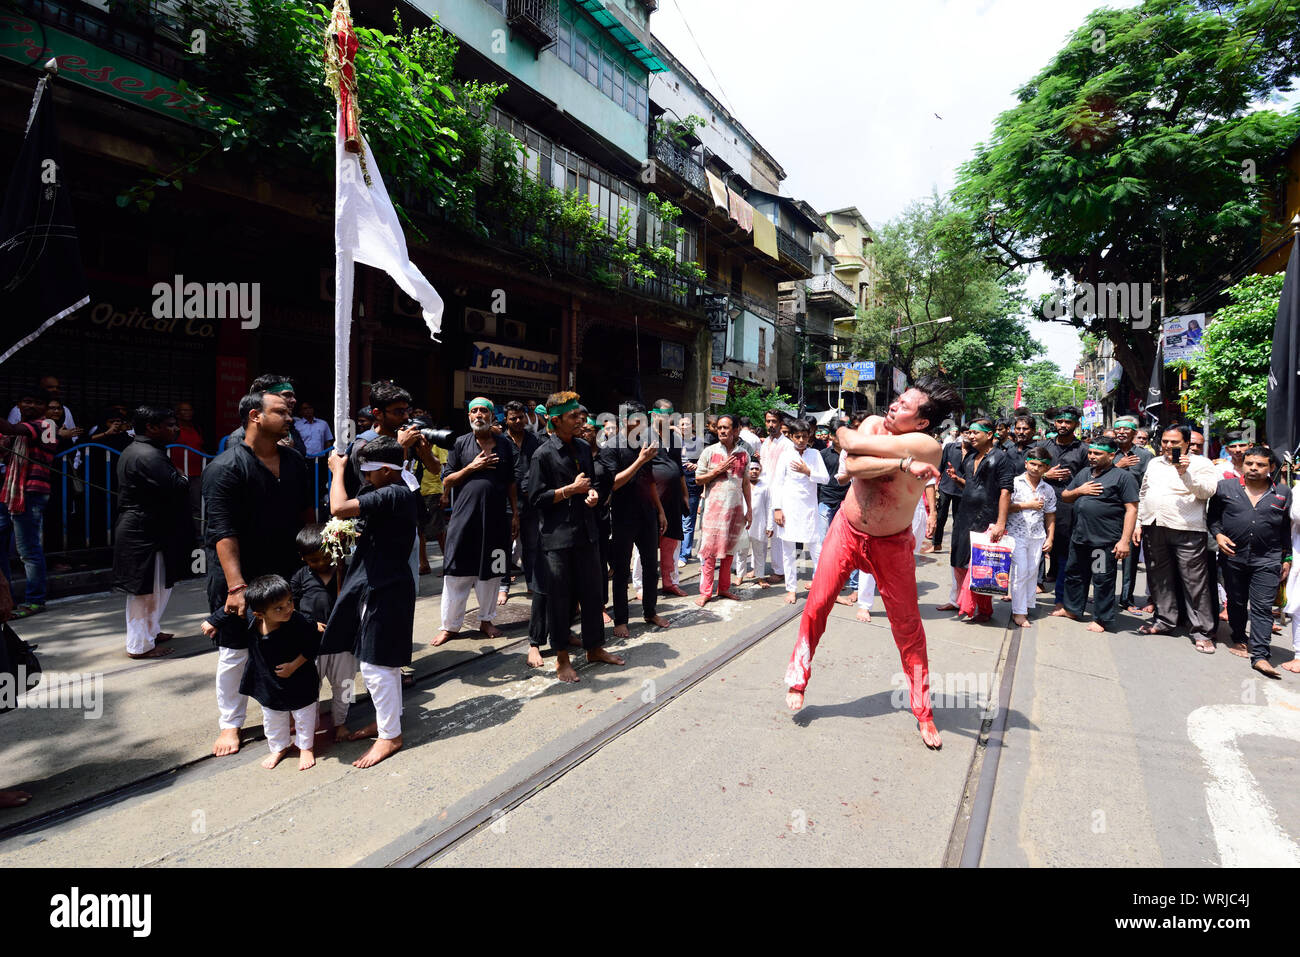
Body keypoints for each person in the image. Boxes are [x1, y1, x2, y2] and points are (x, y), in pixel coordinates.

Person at [785, 377, 960, 750]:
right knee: (817, 603)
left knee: (908, 627)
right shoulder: (874, 425)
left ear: (923, 422)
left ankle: (923, 711)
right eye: (897, 399)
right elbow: (849, 452)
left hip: (892, 544)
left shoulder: (927, 445)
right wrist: (899, 464)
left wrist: (882, 460)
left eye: (905, 406)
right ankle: (798, 677)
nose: (895, 406)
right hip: (846, 530)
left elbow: (858, 460)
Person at [203, 388, 314, 757]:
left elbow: (306, 516)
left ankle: (291, 712)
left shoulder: (296, 461)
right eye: (281, 411)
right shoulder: (225, 467)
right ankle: (230, 723)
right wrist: (237, 587)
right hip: (241, 579)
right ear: (255, 416)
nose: (290, 418)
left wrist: (318, 559)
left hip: (287, 573)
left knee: (291, 642)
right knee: (235, 652)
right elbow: (222, 531)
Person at [321, 435, 420, 768]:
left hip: (386, 586)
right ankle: (386, 720)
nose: (365, 478)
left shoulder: (394, 492)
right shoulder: (391, 489)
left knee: (376, 664)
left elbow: (338, 508)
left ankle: (390, 736)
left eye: (369, 472)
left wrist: (337, 470)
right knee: (383, 662)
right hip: (378, 581)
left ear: (388, 471)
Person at [527, 391, 627, 681]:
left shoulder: (583, 447)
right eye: (573, 417)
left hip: (587, 533)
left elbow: (591, 483)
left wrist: (593, 493)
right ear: (555, 421)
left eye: (581, 416)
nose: (580, 420)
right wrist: (567, 491)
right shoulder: (542, 454)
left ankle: (594, 647)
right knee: (559, 599)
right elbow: (535, 498)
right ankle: (561, 658)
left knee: (593, 593)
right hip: (557, 540)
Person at [435, 398, 518, 646]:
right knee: (456, 573)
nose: (479, 414)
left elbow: (512, 483)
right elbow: (447, 480)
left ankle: (486, 620)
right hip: (464, 519)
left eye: (484, 410)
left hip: (496, 521)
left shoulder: (505, 445)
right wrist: (472, 467)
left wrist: (515, 514)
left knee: (493, 573)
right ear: (469, 416)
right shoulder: (459, 444)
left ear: (493, 416)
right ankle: (450, 626)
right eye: (474, 411)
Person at [112, 406, 191, 658]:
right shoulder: (147, 455)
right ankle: (139, 645)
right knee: (144, 590)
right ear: (151, 427)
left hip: (152, 528)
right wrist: (182, 477)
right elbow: (178, 486)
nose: (175, 429)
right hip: (142, 531)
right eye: (170, 424)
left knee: (158, 585)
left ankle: (151, 631)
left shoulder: (146, 451)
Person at [1133, 425, 1220, 650]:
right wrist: (1139, 522)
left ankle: (1202, 631)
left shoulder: (1202, 464)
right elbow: (1144, 492)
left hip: (1187, 529)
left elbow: (1207, 492)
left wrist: (1185, 473)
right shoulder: (1154, 463)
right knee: (1159, 578)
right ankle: (1164, 621)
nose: (1168, 446)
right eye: (1165, 442)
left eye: (1174, 443)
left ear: (1187, 443)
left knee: (1194, 583)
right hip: (1154, 526)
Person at [1210, 447, 1291, 677]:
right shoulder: (1225, 488)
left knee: (1262, 607)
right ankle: (1238, 636)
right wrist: (1218, 534)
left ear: (1271, 468)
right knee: (1236, 601)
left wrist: (1287, 557)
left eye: (1261, 465)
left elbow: (1285, 528)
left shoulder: (1283, 493)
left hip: (1268, 558)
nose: (1254, 468)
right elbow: (1213, 517)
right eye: (1250, 463)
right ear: (1243, 464)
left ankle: (1261, 655)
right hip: (1233, 556)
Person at [1051, 438, 1139, 633]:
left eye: (1097, 454)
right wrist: (1080, 491)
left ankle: (1102, 619)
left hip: (1103, 542)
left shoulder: (1123, 477)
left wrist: (1125, 541)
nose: (1092, 456)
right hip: (1080, 538)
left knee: (1101, 579)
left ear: (1111, 455)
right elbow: (1065, 496)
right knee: (1075, 574)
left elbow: (1132, 509)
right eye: (1090, 452)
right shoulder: (1084, 473)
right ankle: (1073, 609)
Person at [598, 400, 670, 638]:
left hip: (647, 514)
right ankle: (621, 619)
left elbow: (649, 480)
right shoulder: (611, 447)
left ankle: (650, 611)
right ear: (624, 421)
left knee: (651, 567)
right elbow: (613, 484)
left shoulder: (645, 443)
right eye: (637, 421)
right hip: (622, 516)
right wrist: (640, 459)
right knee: (621, 571)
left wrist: (660, 510)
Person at [239, 575, 320, 771]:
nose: (288, 609)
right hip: (266, 681)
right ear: (259, 614)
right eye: (279, 608)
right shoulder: (253, 621)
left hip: (299, 679)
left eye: (289, 601)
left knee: (303, 715)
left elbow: (313, 645)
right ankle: (278, 747)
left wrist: (294, 665)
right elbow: (227, 611)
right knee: (272, 717)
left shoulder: (297, 621)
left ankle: (305, 747)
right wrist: (212, 622)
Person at [0, 388, 61, 617]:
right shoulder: (18, 433)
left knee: (28, 550)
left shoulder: (47, 426)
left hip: (32, 492)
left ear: (44, 408)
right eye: (27, 401)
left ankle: (35, 600)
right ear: (18, 405)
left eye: (37, 402)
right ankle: (6, 598)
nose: (31, 406)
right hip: (9, 492)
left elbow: (9, 428)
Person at [947, 418, 1013, 623]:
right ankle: (964, 602)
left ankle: (982, 610)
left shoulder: (1001, 458)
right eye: (970, 433)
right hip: (965, 515)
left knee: (979, 565)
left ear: (990, 435)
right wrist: (958, 480)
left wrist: (1000, 523)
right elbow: (972, 486)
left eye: (976, 433)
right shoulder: (971, 457)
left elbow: (1005, 492)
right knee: (958, 561)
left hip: (987, 518)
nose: (971, 436)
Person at [289, 524, 350, 741]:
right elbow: (290, 610)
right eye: (314, 560)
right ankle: (308, 724)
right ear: (303, 558)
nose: (322, 563)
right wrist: (309, 623)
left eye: (326, 556)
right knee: (310, 686)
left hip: (343, 642)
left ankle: (341, 722)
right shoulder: (299, 578)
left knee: (345, 685)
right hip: (311, 644)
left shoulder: (345, 571)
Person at [768, 417, 830, 604]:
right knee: (788, 550)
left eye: (804, 436)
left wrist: (808, 471)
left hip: (809, 508)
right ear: (792, 437)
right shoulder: (786, 455)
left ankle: (819, 586)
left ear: (809, 436)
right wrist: (777, 509)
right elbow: (776, 484)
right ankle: (791, 589)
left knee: (816, 548)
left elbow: (825, 479)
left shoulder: (814, 455)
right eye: (797, 437)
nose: (801, 440)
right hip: (789, 508)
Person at [693, 414, 752, 607]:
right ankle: (706, 592)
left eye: (726, 428)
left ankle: (724, 588)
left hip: (734, 511)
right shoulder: (709, 452)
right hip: (713, 511)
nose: (722, 431)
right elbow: (698, 479)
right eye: (719, 428)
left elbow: (745, 484)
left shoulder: (744, 454)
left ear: (736, 431)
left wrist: (749, 509)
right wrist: (717, 470)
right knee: (709, 552)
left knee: (729, 552)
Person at [1039, 407, 1090, 611]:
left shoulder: (1084, 450)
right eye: (1059, 421)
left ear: (1076, 424)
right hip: (1039, 506)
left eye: (1067, 422)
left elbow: (1090, 477)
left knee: (1065, 556)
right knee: (1034, 551)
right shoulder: (1043, 446)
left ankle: (1061, 599)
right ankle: (1022, 598)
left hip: (1069, 509)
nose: (1062, 425)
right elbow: (1028, 471)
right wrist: (1045, 476)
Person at [1006, 447, 1056, 628]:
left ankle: (1026, 605)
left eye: (1040, 466)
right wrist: (1027, 505)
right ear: (1026, 463)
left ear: (1046, 469)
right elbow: (1005, 506)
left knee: (1032, 572)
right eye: (1032, 464)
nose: (1035, 468)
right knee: (1020, 572)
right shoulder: (1014, 483)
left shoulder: (1048, 489)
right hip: (1015, 534)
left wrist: (1050, 538)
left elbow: (1050, 514)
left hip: (1037, 536)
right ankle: (1018, 612)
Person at [500, 399, 542, 606]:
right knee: (503, 546)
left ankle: (531, 582)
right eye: (512, 418)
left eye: (520, 417)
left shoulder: (534, 440)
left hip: (530, 502)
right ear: (505, 420)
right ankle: (502, 585)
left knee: (531, 545)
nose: (517, 421)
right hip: (506, 504)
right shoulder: (499, 441)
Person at [1112, 415, 1154, 613]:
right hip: (1107, 513)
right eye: (1117, 429)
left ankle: (1126, 598)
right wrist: (1116, 467)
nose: (1120, 432)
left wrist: (1139, 521)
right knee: (1103, 557)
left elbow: (1147, 489)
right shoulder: (1107, 451)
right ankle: (1103, 596)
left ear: (1135, 433)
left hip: (1133, 514)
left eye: (1125, 429)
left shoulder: (1145, 457)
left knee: (1129, 558)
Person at [648, 400, 687, 596]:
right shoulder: (643, 436)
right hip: (651, 500)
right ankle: (641, 586)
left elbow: (679, 469)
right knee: (645, 546)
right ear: (654, 415)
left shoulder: (675, 438)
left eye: (671, 414)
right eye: (664, 414)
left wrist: (685, 495)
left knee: (670, 543)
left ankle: (669, 582)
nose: (668, 418)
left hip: (673, 499)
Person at [227, 375, 307, 457]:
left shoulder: (291, 429)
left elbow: (301, 456)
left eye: (293, 396)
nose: (294, 400)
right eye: (287, 395)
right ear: (264, 396)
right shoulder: (239, 438)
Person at [814, 421, 849, 569]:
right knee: (822, 539)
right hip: (826, 500)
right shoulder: (823, 455)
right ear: (832, 436)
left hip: (847, 502)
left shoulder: (852, 455)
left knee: (843, 540)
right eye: (838, 436)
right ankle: (824, 571)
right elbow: (818, 481)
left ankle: (841, 571)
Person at [931, 424, 967, 552]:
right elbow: (940, 466)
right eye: (966, 433)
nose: (969, 436)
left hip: (962, 490)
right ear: (961, 434)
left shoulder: (975, 452)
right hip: (945, 487)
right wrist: (936, 484)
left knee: (958, 520)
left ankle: (955, 546)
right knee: (940, 516)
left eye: (971, 433)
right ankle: (936, 544)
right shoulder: (950, 447)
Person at [737, 459, 770, 587]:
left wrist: (769, 525)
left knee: (759, 552)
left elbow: (769, 506)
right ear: (747, 470)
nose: (754, 471)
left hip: (760, 524)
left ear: (760, 471)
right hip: (743, 524)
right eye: (751, 469)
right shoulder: (741, 485)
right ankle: (740, 576)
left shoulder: (765, 487)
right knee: (741, 551)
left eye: (757, 469)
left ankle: (760, 576)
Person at [679, 414, 706, 565]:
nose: (684, 428)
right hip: (676, 485)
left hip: (692, 485)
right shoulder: (675, 442)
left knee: (688, 521)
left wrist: (698, 466)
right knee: (677, 520)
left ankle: (685, 554)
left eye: (687, 425)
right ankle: (678, 552)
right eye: (681, 425)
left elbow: (706, 463)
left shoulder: (699, 442)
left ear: (693, 426)